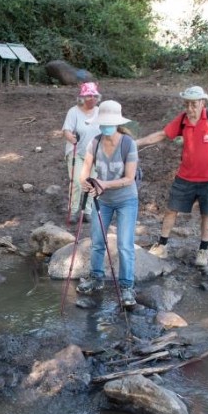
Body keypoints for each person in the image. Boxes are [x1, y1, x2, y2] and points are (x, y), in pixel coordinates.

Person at [136, 85, 208, 267]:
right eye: (187, 104)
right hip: (185, 177)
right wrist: (136, 142)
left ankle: (203, 250)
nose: (190, 108)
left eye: (193, 104)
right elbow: (162, 134)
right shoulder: (183, 120)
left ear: (202, 102)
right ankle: (162, 245)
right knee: (171, 209)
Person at [75, 100, 140, 308]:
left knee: (124, 244)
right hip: (101, 200)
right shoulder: (94, 142)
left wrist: (104, 184)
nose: (106, 127)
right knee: (97, 241)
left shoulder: (128, 144)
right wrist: (84, 182)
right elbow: (85, 170)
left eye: (109, 123)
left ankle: (127, 287)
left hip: (126, 200)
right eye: (103, 123)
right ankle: (96, 278)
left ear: (117, 123)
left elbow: (129, 178)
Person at [61, 82, 102, 222]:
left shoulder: (99, 111)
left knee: (93, 182)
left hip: (96, 153)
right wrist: (70, 137)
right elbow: (66, 130)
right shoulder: (74, 111)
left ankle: (88, 211)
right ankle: (73, 210)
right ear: (82, 98)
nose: (92, 99)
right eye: (89, 96)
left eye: (95, 96)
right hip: (76, 152)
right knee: (78, 182)